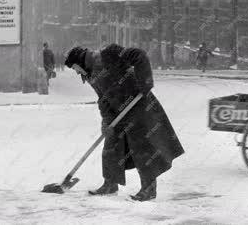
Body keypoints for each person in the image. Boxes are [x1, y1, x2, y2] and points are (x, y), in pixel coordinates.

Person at [65, 43, 184, 201]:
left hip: (140, 105)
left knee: (143, 148)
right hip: (118, 113)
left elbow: (139, 55)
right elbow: (103, 99)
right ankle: (110, 184)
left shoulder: (108, 53)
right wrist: (107, 123)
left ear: (80, 61)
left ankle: (148, 190)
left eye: (74, 68)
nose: (76, 72)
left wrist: (145, 82)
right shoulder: (90, 75)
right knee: (111, 145)